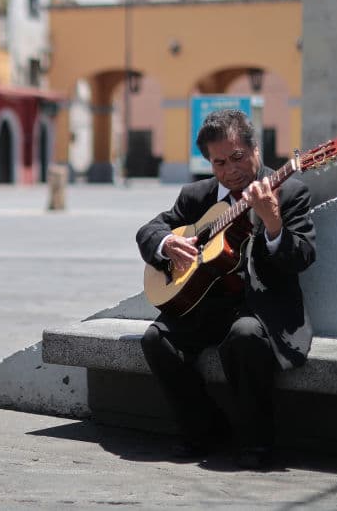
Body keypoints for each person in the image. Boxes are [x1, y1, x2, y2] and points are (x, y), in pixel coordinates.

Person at [135, 109, 316, 469]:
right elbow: (149, 230)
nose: (230, 169)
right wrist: (167, 244)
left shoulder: (289, 191)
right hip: (204, 307)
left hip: (261, 308)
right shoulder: (196, 196)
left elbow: (303, 256)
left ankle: (257, 442)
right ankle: (204, 430)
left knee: (245, 334)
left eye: (237, 157)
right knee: (157, 339)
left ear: (255, 151)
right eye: (219, 163)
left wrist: (273, 223)